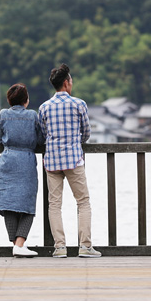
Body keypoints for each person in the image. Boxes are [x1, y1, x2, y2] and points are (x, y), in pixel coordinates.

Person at [38, 63, 100, 258]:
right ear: (66, 83)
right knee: (83, 202)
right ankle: (85, 246)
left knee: (54, 204)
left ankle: (60, 248)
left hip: (52, 161)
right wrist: (76, 142)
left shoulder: (44, 107)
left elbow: (43, 133)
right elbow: (87, 132)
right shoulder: (79, 104)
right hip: (73, 159)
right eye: (71, 80)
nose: (72, 83)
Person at [0, 83, 43, 257]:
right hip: (26, 161)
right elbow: (40, 139)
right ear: (26, 100)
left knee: (8, 205)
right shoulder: (32, 115)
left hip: (7, 160)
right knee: (28, 206)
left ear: (9, 100)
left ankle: (17, 245)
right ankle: (19, 245)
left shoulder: (3, 114)